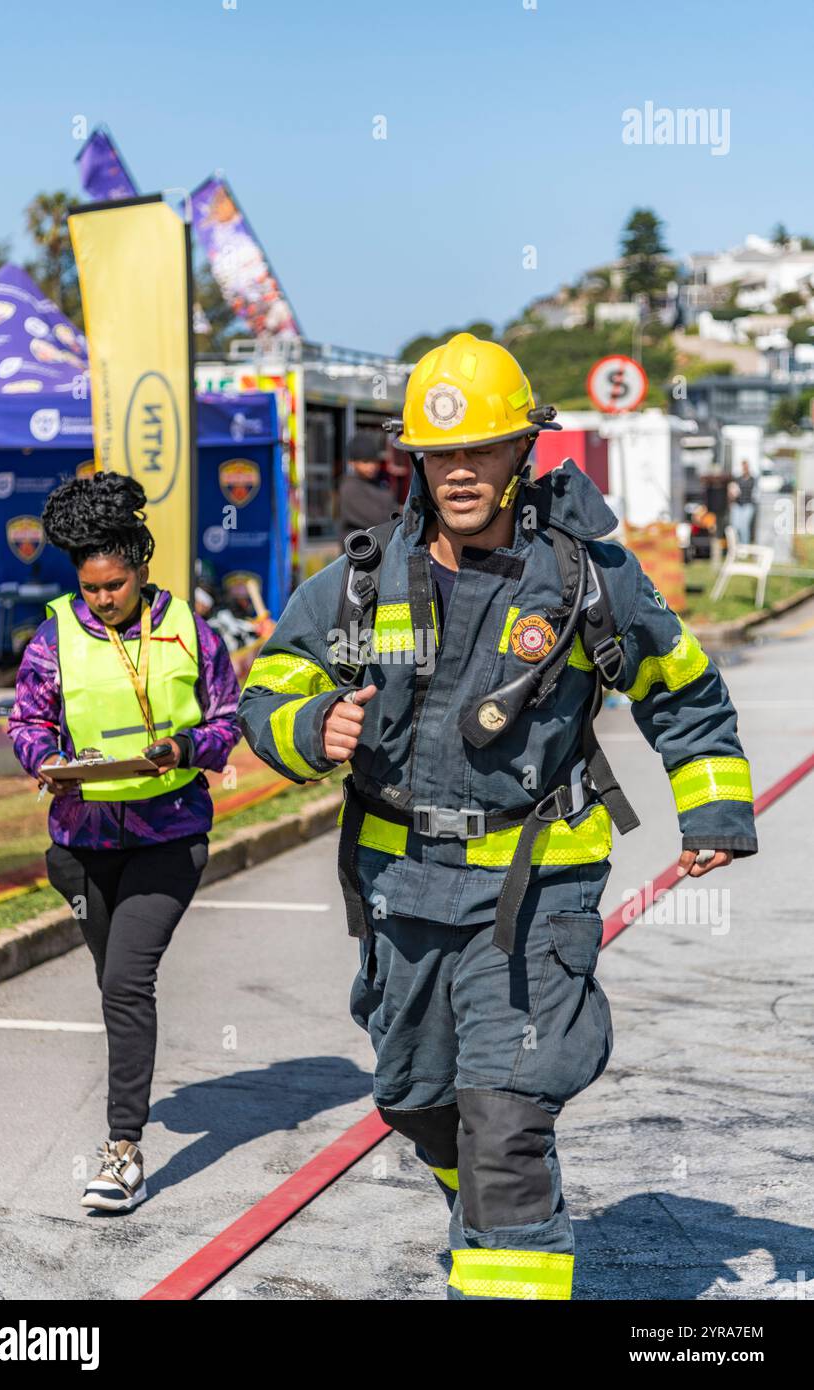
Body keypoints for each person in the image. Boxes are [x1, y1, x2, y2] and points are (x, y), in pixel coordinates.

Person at [236, 333, 758, 1300]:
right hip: (402, 896)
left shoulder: (586, 579)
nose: (461, 471)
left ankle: (505, 1252)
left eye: (482, 448)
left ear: (526, 451)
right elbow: (268, 688)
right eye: (442, 454)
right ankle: (482, 1203)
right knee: (417, 1100)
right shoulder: (359, 580)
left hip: (533, 897)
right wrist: (313, 725)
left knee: (508, 1119)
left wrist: (713, 811)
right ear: (416, 460)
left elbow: (681, 689)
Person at [8, 471, 240, 1212]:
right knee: (118, 992)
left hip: (167, 836)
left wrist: (181, 749)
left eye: (114, 585)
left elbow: (229, 718)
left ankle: (123, 1151)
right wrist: (43, 760)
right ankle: (126, 1124)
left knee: (125, 984)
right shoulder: (54, 635)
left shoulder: (190, 631)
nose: (102, 599)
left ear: (140, 568)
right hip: (78, 845)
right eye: (90, 587)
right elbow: (24, 723)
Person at [336, 430, 396, 550]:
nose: (372, 466)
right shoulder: (349, 487)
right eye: (365, 462)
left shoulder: (380, 483)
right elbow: (381, 520)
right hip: (360, 557)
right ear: (352, 462)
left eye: (375, 461)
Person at [728, 459, 757, 544]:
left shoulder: (752, 479)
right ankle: (736, 545)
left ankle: (744, 546)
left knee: (744, 526)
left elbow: (754, 493)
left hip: (747, 504)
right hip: (738, 504)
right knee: (735, 526)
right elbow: (732, 492)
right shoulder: (737, 479)